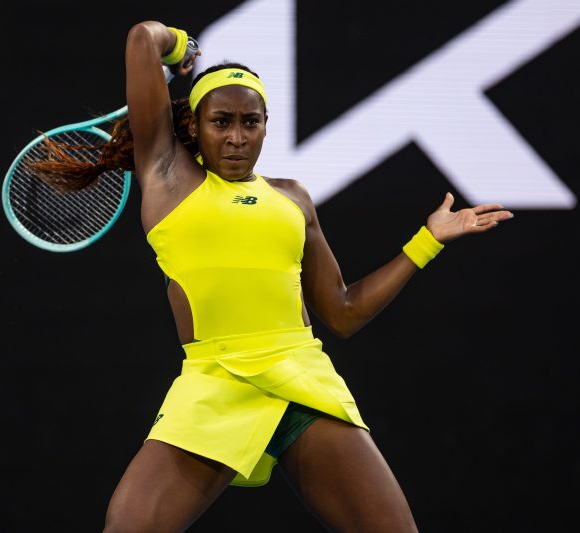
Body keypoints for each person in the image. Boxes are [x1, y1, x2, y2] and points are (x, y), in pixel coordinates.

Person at [32, 20, 513, 533]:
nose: (237, 137)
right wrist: (180, 48)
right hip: (214, 385)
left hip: (300, 379)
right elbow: (141, 39)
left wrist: (427, 240)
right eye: (221, 122)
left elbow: (343, 312)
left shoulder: (293, 199)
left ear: (266, 125)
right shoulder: (168, 176)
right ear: (194, 125)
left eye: (251, 122)